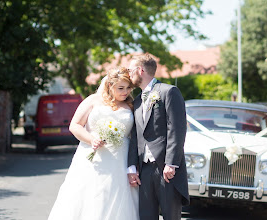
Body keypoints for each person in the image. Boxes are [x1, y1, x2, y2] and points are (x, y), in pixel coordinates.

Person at [48, 67, 139, 220]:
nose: (125, 92)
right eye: (121, 88)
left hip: (120, 160)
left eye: (129, 88)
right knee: (92, 196)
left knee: (118, 198)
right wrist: (91, 139)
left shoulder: (131, 105)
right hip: (94, 158)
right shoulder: (92, 100)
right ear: (110, 85)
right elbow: (75, 125)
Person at [127, 53, 189, 220]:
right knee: (146, 216)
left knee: (171, 216)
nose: (128, 74)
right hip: (144, 170)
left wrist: (171, 163)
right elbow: (135, 136)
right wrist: (132, 167)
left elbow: (177, 129)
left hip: (166, 169)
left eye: (130, 70)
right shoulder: (138, 101)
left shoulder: (169, 92)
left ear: (140, 70)